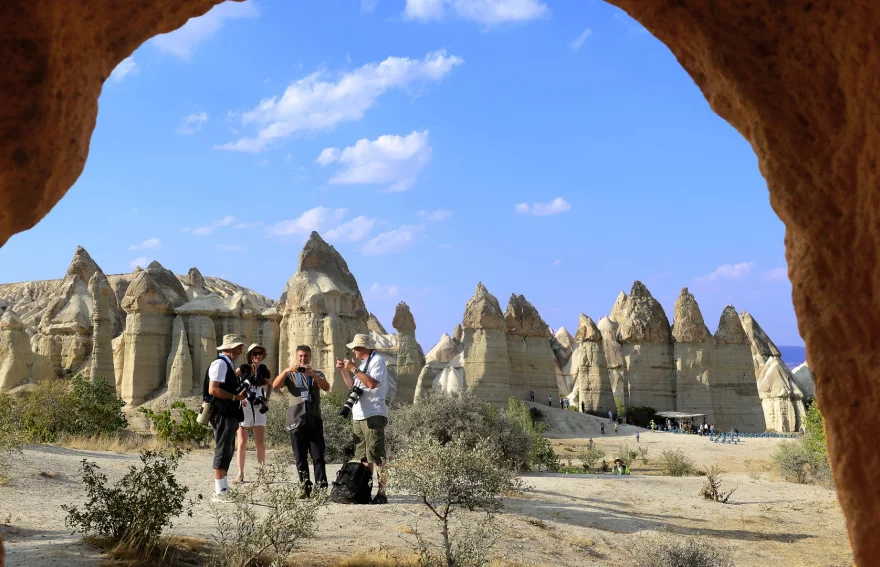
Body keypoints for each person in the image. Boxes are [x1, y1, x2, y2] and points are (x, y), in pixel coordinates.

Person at [336, 334, 390, 505]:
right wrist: (344, 370)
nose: (353, 350)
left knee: (378, 456)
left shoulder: (377, 361)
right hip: (358, 414)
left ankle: (382, 493)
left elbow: (372, 384)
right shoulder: (363, 364)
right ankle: (365, 491)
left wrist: (354, 369)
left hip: (373, 413)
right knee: (364, 457)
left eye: (356, 347)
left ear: (364, 347)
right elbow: (353, 387)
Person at [274, 344, 330, 497]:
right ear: (296, 357)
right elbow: (275, 385)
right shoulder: (290, 375)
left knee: (318, 456)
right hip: (296, 419)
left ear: (310, 357)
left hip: (314, 418)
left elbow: (326, 387)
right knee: (300, 457)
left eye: (305, 356)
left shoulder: (317, 373)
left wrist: (314, 375)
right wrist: (285, 370)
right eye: (300, 356)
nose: (303, 358)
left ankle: (321, 489)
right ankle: (304, 488)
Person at [204, 335, 247, 502]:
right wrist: (235, 397)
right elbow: (213, 389)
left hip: (228, 413)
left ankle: (224, 487)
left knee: (228, 448)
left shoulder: (227, 364)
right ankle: (219, 490)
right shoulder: (220, 364)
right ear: (230, 349)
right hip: (222, 413)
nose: (240, 351)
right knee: (223, 448)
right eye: (238, 348)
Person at [232, 343, 272, 484]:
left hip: (258, 408)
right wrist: (238, 393)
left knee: (260, 442)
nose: (257, 356)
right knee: (242, 442)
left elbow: (270, 384)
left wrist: (266, 399)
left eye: (259, 353)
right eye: (254, 353)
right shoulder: (243, 368)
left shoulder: (264, 369)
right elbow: (231, 377)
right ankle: (240, 473)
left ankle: (262, 475)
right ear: (250, 355)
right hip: (244, 407)